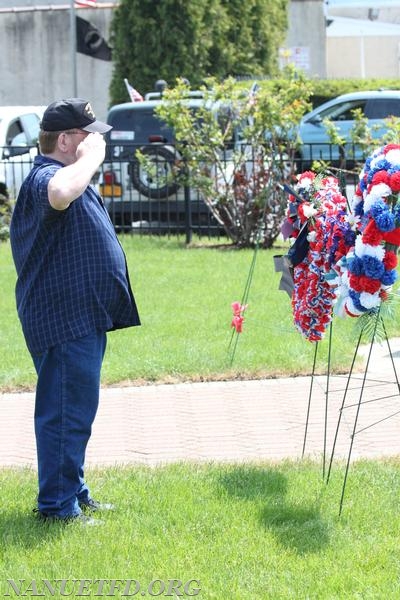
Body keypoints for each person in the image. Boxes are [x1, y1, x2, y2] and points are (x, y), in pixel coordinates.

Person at [10, 98, 140, 524]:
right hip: (63, 318)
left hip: (79, 315)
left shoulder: (63, 175)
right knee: (65, 412)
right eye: (87, 136)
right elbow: (62, 192)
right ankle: (56, 507)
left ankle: (72, 491)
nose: (95, 143)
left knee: (75, 411)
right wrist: (93, 158)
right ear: (65, 140)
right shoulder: (46, 177)